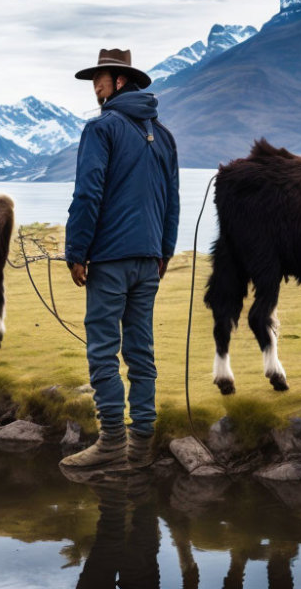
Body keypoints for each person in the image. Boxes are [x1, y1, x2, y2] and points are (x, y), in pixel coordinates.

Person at [61, 48, 180, 471]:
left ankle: (112, 442)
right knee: (141, 349)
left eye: (102, 77)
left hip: (110, 259)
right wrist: (164, 250)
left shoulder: (101, 129)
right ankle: (142, 445)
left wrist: (76, 251)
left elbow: (88, 193)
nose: (96, 85)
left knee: (103, 350)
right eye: (95, 78)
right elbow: (172, 203)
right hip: (149, 259)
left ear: (121, 82)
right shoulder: (163, 135)